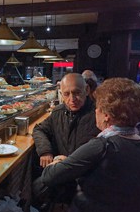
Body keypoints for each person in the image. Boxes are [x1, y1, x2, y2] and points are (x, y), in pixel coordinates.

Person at [40, 77, 140, 212]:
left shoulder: (102, 145)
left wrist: (58, 159)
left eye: (98, 108)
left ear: (106, 115)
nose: (95, 111)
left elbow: (49, 176)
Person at [32, 73, 100, 205]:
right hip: (63, 173)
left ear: (86, 90)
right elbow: (39, 129)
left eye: (77, 93)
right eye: (66, 94)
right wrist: (45, 151)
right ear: (61, 94)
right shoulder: (58, 112)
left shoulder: (98, 114)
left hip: (85, 178)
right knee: (36, 189)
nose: (72, 99)